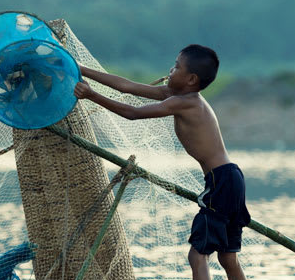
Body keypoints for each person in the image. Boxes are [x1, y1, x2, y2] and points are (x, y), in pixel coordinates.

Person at [73, 44, 250, 280]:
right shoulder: (177, 96)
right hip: (231, 178)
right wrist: (82, 69)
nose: (170, 69)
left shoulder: (187, 103)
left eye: (176, 66)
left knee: (197, 256)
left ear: (191, 79)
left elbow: (133, 113)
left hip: (222, 181)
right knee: (227, 258)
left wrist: (91, 95)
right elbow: (127, 86)